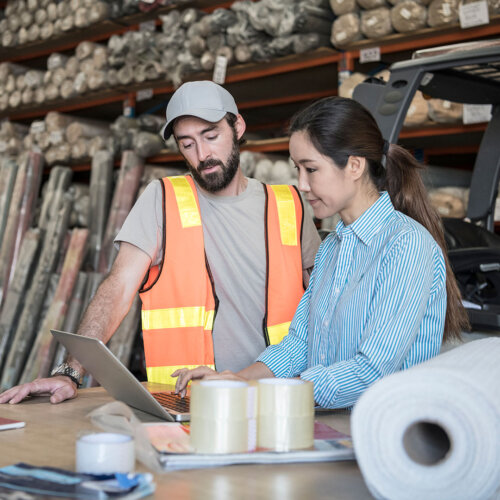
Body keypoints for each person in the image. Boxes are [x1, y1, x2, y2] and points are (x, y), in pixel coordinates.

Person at [0, 81, 320, 405]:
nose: (202, 155)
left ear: (237, 126)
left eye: (211, 136)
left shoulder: (289, 205)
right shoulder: (162, 199)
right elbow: (119, 287)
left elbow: (327, 303)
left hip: (280, 400)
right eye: (187, 144)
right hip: (189, 405)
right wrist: (70, 372)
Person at [174, 96, 469, 408]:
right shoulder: (332, 248)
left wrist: (267, 393)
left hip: (389, 430)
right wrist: (238, 380)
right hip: (332, 421)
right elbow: (300, 345)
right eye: (297, 169)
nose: (302, 184)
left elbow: (373, 370)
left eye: (311, 169)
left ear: (354, 166)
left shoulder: (406, 246)